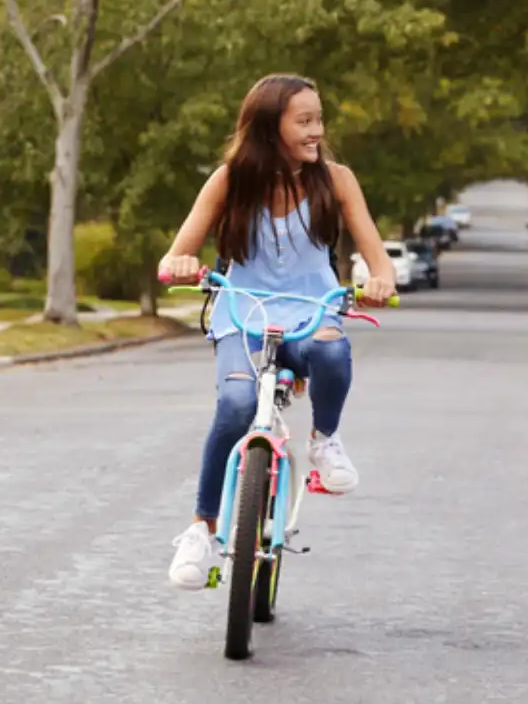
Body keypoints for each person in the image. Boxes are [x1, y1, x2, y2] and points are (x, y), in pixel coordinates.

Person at [155, 73, 397, 590]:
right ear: (270, 127)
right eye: (304, 121)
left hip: (312, 313)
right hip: (244, 314)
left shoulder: (336, 180)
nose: (317, 130)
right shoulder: (229, 181)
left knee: (333, 351)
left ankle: (324, 441)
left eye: (319, 118)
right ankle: (202, 528)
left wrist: (379, 281)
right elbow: (178, 250)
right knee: (237, 405)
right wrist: (179, 264)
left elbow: (379, 259)